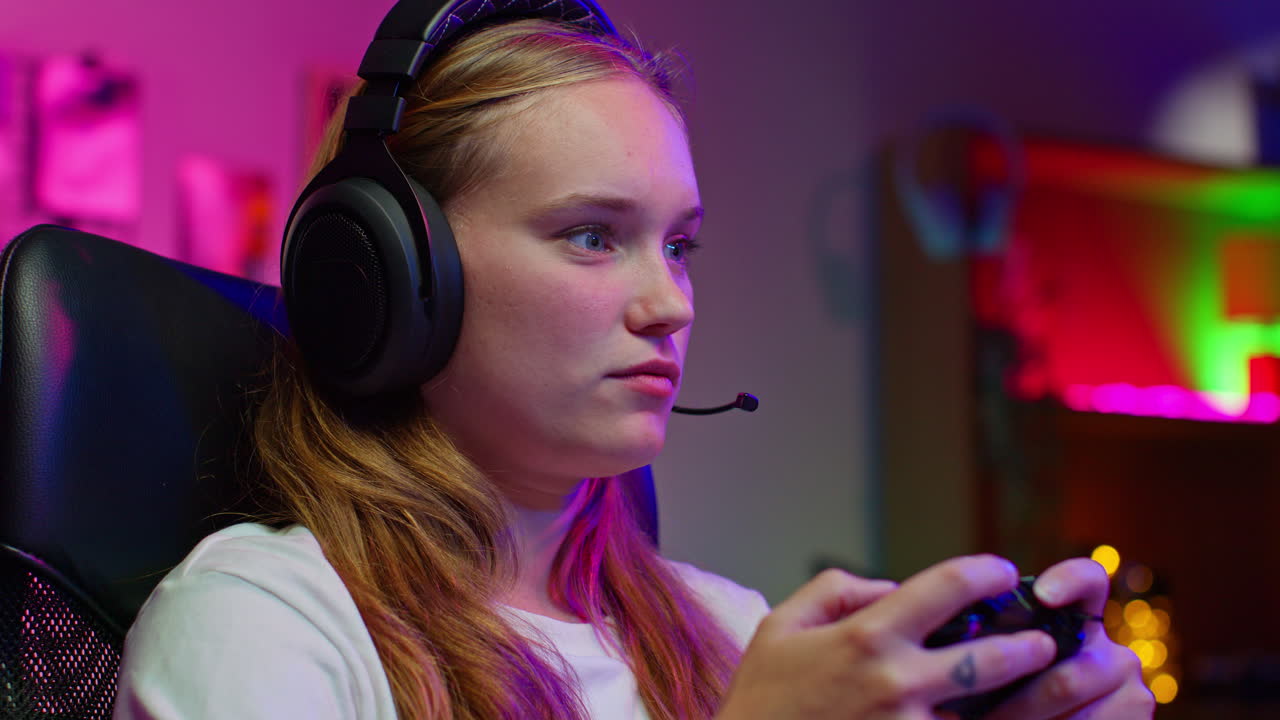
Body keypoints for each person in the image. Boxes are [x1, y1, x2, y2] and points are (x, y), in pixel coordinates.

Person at [113, 6, 1155, 720]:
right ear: (391, 278)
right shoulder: (259, 622)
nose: (670, 304)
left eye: (678, 244)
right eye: (591, 235)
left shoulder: (734, 634)